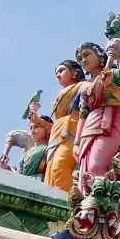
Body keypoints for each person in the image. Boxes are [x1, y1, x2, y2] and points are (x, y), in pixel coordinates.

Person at [74, 42, 120, 191]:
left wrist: (110, 86)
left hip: (110, 118)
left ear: (100, 56)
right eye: (80, 58)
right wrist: (76, 143)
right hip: (90, 123)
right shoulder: (85, 86)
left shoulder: (116, 74)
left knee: (96, 166)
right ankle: (87, 198)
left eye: (87, 54)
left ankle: (100, 198)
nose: (83, 60)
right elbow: (83, 114)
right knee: (84, 171)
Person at [45, 60, 85, 191]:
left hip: (72, 131)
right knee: (50, 173)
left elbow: (85, 110)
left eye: (61, 70)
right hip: (57, 134)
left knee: (59, 166)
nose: (58, 75)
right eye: (56, 73)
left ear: (74, 73)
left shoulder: (82, 87)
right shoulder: (64, 93)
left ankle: (68, 199)